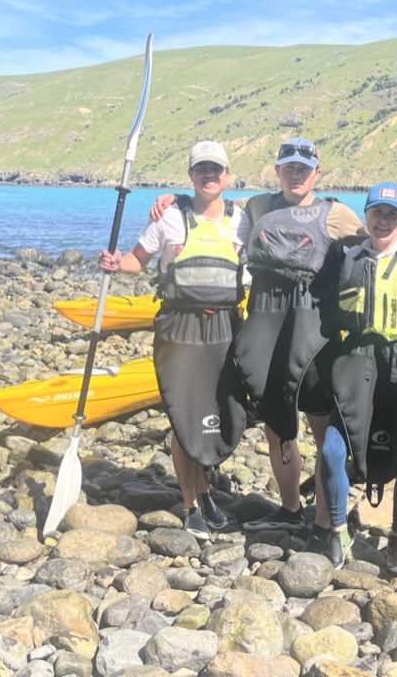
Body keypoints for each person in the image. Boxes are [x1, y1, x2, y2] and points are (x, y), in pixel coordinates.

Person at [151, 137, 365, 543]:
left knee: (320, 429)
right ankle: (289, 509)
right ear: (278, 170)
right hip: (267, 327)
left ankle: (324, 523)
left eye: (304, 167)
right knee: (278, 427)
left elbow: (377, 241)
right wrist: (173, 198)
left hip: (314, 330)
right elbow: (209, 199)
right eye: (289, 167)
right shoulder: (257, 206)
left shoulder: (335, 213)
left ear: (317, 173)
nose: (296, 173)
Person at [100, 141, 249, 540]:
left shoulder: (244, 218)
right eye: (201, 169)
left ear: (227, 176)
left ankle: (205, 489)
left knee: (215, 412)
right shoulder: (168, 216)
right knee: (184, 415)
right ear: (191, 175)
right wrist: (118, 265)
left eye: (216, 169)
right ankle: (191, 504)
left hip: (225, 327)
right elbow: (137, 259)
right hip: (178, 327)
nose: (209, 175)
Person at [319, 182, 397, 569]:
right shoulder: (346, 258)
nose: (383, 221)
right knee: (333, 451)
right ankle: (338, 531)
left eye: (392, 215)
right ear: (365, 216)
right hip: (355, 361)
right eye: (377, 213)